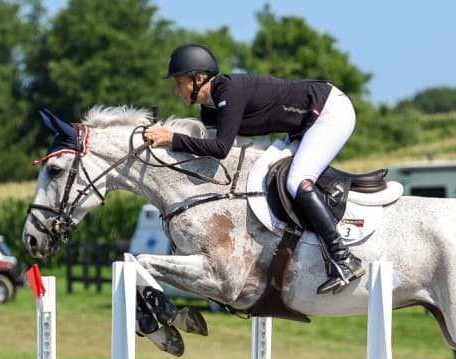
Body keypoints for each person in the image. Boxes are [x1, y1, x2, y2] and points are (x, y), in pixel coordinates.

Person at [144, 43, 365, 294]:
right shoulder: (210, 108)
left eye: (178, 82)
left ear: (199, 79)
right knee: (273, 173)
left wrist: (171, 138)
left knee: (297, 181)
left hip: (329, 111)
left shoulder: (229, 91)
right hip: (304, 124)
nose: (176, 90)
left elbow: (220, 148)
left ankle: (344, 257)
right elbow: (208, 153)